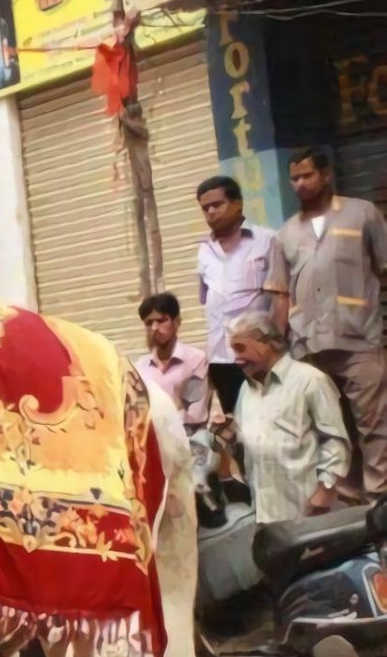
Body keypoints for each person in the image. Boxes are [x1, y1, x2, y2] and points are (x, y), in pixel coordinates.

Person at [271, 146, 387, 498]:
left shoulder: (361, 213)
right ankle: (350, 507)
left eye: (306, 175)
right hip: (308, 348)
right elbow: (280, 294)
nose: (300, 184)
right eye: (294, 178)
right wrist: (277, 346)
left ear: (326, 174)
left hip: (359, 340)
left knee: (375, 426)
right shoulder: (286, 233)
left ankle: (380, 502)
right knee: (330, 429)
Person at [228, 312, 350, 524]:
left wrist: (325, 491)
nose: (235, 358)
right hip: (264, 514)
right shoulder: (246, 389)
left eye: (240, 348)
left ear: (268, 343)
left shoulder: (310, 380)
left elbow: (335, 441)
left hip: (309, 513)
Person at [195, 175, 287, 415]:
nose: (211, 212)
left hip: (259, 356)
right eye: (205, 208)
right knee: (237, 428)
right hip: (221, 359)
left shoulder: (267, 240)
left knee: (271, 421)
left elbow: (281, 298)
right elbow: (209, 303)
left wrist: (275, 349)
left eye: (217, 204)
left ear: (238, 204)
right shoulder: (204, 250)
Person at [136, 293, 212, 431]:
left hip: (188, 439)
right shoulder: (140, 367)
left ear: (177, 322)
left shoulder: (195, 360)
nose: (154, 328)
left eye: (161, 320)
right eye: (149, 323)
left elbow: (195, 414)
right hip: (153, 440)